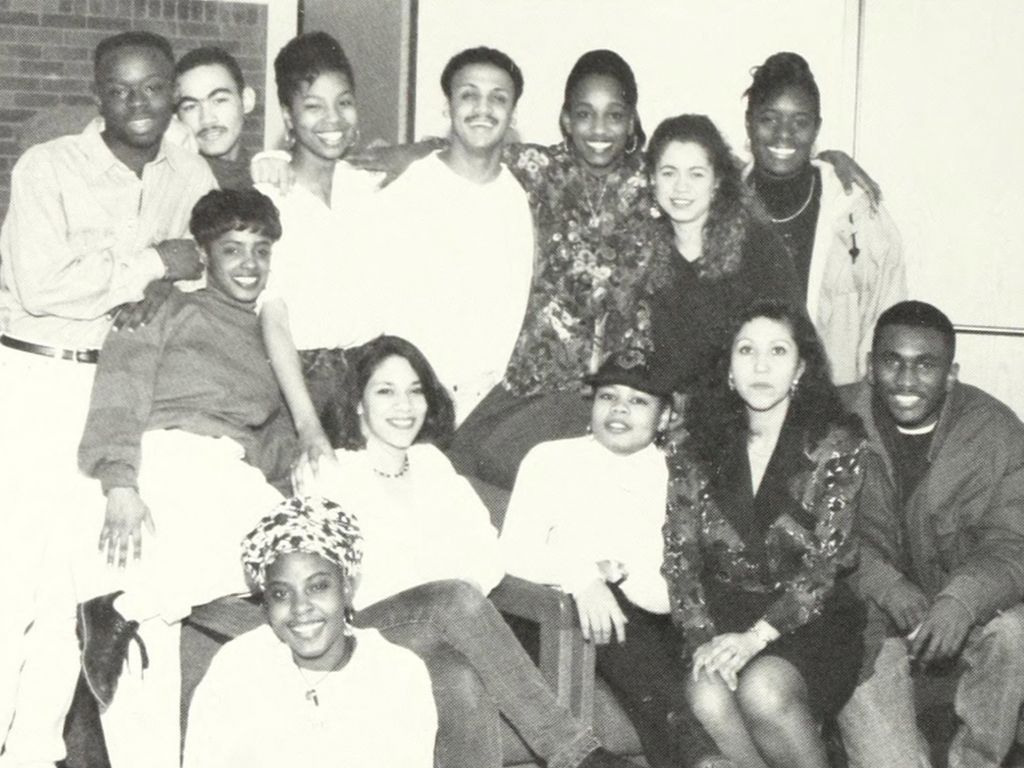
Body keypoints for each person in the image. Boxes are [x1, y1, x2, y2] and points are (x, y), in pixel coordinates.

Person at [0, 30, 215, 766]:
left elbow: (210, 270)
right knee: (11, 587)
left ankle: (30, 754)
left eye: (152, 87)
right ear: (97, 96)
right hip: (32, 380)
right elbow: (41, 283)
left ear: (171, 92)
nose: (137, 103)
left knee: (78, 593)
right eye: (120, 90)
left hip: (116, 392)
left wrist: (160, 285)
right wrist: (150, 264)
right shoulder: (47, 167)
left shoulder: (191, 178)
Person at [297, 334, 634, 768]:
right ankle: (576, 754)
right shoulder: (332, 471)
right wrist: (445, 592)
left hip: (443, 630)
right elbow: (337, 582)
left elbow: (485, 555)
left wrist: (452, 598)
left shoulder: (433, 465)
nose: (405, 405)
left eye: (415, 391)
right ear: (358, 403)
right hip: (363, 629)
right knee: (452, 597)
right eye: (386, 391)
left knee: (459, 678)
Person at [74, 188, 296, 768]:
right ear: (205, 254)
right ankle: (129, 608)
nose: (249, 265)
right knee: (153, 652)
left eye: (261, 250)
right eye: (232, 250)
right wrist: (120, 483)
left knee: (287, 560)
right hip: (167, 460)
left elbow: (272, 441)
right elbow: (119, 393)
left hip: (228, 476)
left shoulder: (268, 335)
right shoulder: (164, 308)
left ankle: (123, 606)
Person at [502, 348, 731, 768]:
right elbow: (512, 554)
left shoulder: (676, 476)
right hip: (551, 618)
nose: (620, 409)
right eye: (609, 396)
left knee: (630, 618)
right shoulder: (550, 459)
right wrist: (584, 576)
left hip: (649, 621)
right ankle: (698, 755)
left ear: (664, 417)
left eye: (639, 401)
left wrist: (619, 576)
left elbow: (674, 590)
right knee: (607, 607)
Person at [662, 298, 867, 768]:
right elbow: (681, 558)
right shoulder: (691, 446)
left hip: (809, 620)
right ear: (728, 368)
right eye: (745, 350)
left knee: (764, 691)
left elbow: (823, 568)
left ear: (800, 368)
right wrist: (702, 639)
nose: (760, 366)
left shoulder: (836, 445)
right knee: (709, 693)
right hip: (721, 616)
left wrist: (755, 638)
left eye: (777, 351)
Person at [835, 300, 1024, 768]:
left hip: (956, 606)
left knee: (1015, 631)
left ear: (951, 372)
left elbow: (1014, 540)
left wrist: (962, 599)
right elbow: (810, 532)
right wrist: (883, 583)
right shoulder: (829, 420)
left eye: (925, 365)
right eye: (891, 361)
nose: (904, 380)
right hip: (864, 621)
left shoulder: (996, 432)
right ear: (870, 365)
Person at [183, 496, 437, 768]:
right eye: (281, 594)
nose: (300, 607)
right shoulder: (237, 667)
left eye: (317, 587)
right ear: (266, 603)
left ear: (347, 586)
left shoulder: (398, 673)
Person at [368, 46, 535, 431]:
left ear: (512, 114)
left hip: (485, 410)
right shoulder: (405, 190)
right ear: (448, 106)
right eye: (468, 94)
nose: (482, 108)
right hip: (411, 404)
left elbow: (509, 309)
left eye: (498, 98)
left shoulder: (517, 199)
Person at [257, 31, 385, 466]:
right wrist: (309, 426)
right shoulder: (267, 200)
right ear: (288, 116)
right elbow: (274, 320)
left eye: (344, 102)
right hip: (304, 391)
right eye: (313, 106)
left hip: (371, 385)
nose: (333, 119)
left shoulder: (370, 189)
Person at [743, 51, 905, 385]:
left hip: (829, 404)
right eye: (769, 119)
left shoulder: (857, 213)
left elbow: (888, 316)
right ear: (749, 122)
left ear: (817, 128)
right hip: (737, 401)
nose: (783, 135)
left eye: (799, 122)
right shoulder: (718, 203)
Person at [639, 114, 799, 393]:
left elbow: (794, 342)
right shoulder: (639, 252)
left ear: (717, 182)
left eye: (696, 173)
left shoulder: (758, 249)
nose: (681, 187)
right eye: (668, 172)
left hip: (741, 413)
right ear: (652, 179)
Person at [174, 45, 258, 189]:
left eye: (219, 100)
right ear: (176, 118)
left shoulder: (271, 179)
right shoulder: (171, 186)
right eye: (190, 107)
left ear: (246, 101)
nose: (206, 119)